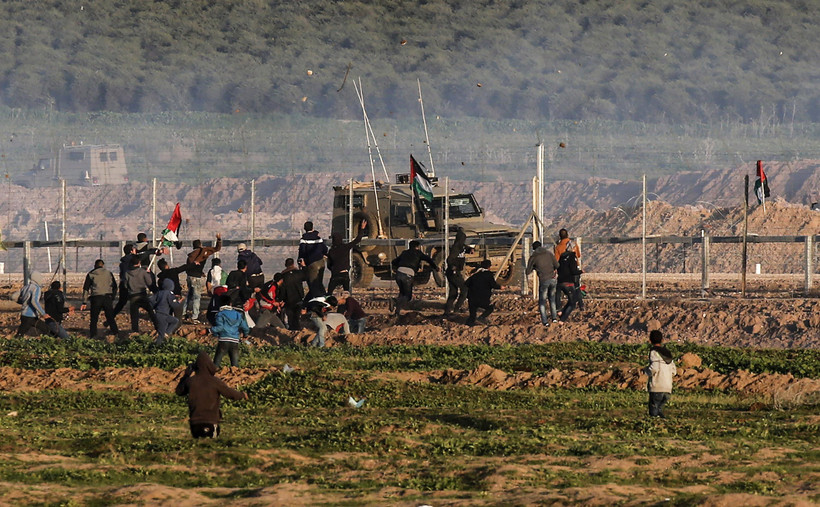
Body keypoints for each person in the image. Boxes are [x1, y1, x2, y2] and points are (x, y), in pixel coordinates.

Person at [175, 351, 248, 438]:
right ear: (210, 365)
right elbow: (230, 394)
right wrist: (243, 395)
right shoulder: (215, 381)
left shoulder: (191, 381)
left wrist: (186, 375)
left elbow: (179, 391)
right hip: (210, 422)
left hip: (195, 424)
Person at [390, 240, 438, 316]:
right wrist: (436, 267)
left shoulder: (404, 253)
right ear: (417, 247)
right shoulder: (418, 253)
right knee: (408, 296)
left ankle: (397, 312)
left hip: (399, 273)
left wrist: (398, 266)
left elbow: (393, 262)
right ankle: (395, 301)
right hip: (408, 274)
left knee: (402, 293)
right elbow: (429, 260)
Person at [184, 233, 222, 323]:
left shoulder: (191, 255)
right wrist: (219, 240)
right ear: (200, 245)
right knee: (197, 297)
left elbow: (189, 266)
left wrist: (200, 271)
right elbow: (217, 248)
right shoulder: (204, 251)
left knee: (189, 296)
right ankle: (194, 317)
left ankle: (182, 313)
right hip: (196, 277)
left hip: (189, 276)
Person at [81, 259, 120, 338]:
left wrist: (84, 302)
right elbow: (115, 286)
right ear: (103, 265)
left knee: (94, 318)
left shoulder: (91, 274)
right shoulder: (109, 273)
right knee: (110, 317)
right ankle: (116, 333)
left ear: (95, 266)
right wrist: (112, 297)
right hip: (107, 297)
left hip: (96, 298)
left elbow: (86, 289)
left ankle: (93, 335)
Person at [325, 220, 366, 295]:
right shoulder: (345, 247)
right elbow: (357, 239)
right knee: (347, 294)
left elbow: (329, 265)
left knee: (329, 293)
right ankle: (347, 305)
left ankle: (328, 304)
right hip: (344, 274)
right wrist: (362, 228)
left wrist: (334, 269)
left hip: (335, 275)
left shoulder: (331, 251)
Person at [526, 240, 560, 326]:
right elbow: (557, 265)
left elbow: (527, 271)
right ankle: (554, 318)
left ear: (534, 249)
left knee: (542, 302)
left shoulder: (533, 257)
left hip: (544, 280)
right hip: (553, 279)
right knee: (552, 299)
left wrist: (535, 267)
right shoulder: (549, 253)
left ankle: (545, 322)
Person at [210, 295, 250, 368]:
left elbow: (219, 327)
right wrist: (245, 335)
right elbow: (245, 327)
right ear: (230, 304)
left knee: (216, 364)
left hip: (224, 340)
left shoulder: (220, 314)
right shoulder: (238, 314)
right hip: (235, 341)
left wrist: (211, 331)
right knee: (235, 366)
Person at [644, 330, 677, 418]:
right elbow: (674, 371)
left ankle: (654, 428)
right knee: (659, 410)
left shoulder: (654, 352)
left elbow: (654, 367)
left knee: (653, 413)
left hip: (657, 387)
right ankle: (662, 425)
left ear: (650, 340)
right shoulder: (667, 353)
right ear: (662, 340)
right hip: (667, 388)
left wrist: (646, 371)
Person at [123, 255, 159, 334]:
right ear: (139, 263)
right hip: (142, 294)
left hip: (133, 296)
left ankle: (135, 331)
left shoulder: (127, 273)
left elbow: (125, 285)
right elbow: (149, 283)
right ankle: (158, 327)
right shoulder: (142, 272)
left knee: (134, 315)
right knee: (151, 312)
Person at [15, 272, 53, 337]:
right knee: (47, 330)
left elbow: (13, 296)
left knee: (20, 333)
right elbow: (34, 301)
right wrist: (43, 313)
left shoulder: (25, 287)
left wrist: (23, 302)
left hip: (24, 315)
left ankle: (13, 344)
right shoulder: (36, 288)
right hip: (30, 316)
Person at [464, 259, 501, 326]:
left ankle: (468, 326)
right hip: (482, 299)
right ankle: (481, 318)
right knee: (490, 308)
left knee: (472, 316)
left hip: (471, 299)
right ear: (489, 267)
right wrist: (501, 287)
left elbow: (466, 283)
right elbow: (494, 285)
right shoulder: (489, 275)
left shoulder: (475, 274)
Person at [554, 228, 583, 311]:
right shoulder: (573, 244)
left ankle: (558, 307)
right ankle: (581, 305)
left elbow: (556, 260)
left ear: (560, 236)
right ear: (568, 235)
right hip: (574, 269)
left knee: (559, 290)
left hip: (563, 272)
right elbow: (578, 255)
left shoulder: (558, 247)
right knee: (577, 288)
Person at [443, 227, 470, 316]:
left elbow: (465, 248)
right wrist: (452, 267)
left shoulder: (461, 246)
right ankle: (457, 308)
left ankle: (447, 310)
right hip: (453, 272)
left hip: (454, 272)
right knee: (465, 289)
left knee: (453, 292)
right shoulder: (456, 247)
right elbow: (449, 259)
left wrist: (470, 250)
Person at [298, 221, 328, 293]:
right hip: (321, 262)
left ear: (305, 229)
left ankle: (316, 298)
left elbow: (302, 251)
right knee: (319, 282)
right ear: (312, 228)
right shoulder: (319, 239)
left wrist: (300, 261)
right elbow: (325, 249)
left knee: (312, 283)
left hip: (311, 263)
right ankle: (323, 296)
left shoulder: (304, 239)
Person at [556, 240, 583, 322]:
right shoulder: (572, 257)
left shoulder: (562, 256)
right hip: (568, 282)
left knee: (570, 301)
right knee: (573, 303)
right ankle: (562, 320)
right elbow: (573, 271)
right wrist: (581, 271)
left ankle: (561, 312)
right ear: (573, 248)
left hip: (560, 281)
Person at [157, 259, 189, 323]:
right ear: (166, 266)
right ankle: (174, 329)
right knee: (178, 317)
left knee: (169, 315)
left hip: (166, 299)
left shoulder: (160, 279)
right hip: (176, 297)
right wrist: (194, 263)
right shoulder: (173, 271)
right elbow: (183, 268)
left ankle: (168, 328)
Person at [278, 258, 306, 330]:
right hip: (298, 297)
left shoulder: (283, 275)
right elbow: (306, 276)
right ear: (293, 264)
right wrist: (303, 266)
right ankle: (297, 329)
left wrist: (281, 299)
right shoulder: (298, 273)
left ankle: (292, 329)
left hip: (288, 298)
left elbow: (282, 289)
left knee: (290, 316)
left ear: (285, 265)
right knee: (297, 315)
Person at [152, 278, 181, 344]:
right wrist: (179, 301)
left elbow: (151, 301)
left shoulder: (159, 292)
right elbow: (174, 305)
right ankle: (156, 347)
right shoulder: (169, 294)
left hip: (158, 314)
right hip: (163, 315)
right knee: (161, 335)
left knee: (175, 320)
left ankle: (166, 333)